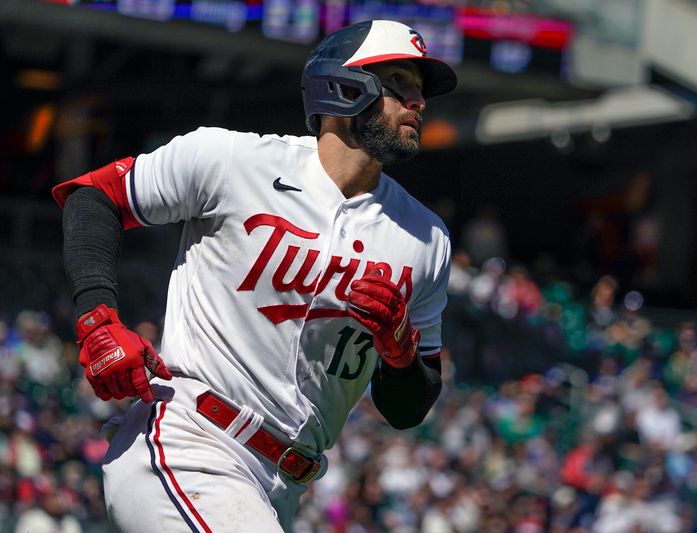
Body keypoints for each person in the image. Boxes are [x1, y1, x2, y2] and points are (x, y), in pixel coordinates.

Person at [51, 19, 457, 532]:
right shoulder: (232, 160)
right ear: (344, 86)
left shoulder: (427, 238)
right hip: (190, 441)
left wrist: (400, 358)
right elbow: (94, 197)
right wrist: (98, 318)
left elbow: (408, 408)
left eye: (422, 90)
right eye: (401, 83)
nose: (418, 102)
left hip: (283, 487)